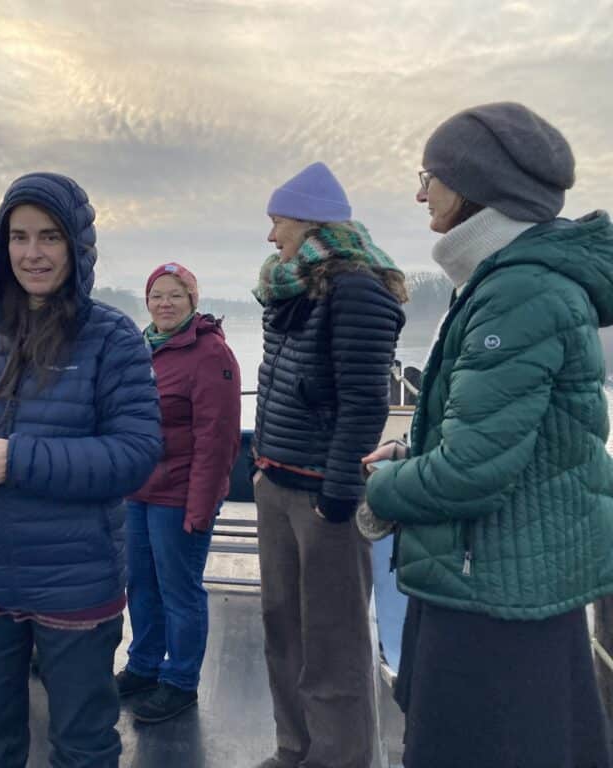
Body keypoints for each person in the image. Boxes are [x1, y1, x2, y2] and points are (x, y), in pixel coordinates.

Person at [363, 102, 613, 768]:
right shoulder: (506, 281)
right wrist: (415, 452)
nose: (420, 191)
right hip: (509, 581)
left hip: (495, 599)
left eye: (431, 175)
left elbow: (474, 469)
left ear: (477, 187)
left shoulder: (518, 292)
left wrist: (385, 491)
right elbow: (501, 439)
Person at [0, 171, 163, 768]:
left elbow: (135, 452)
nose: (32, 253)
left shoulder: (113, 337)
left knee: (82, 743)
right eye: (18, 237)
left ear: (78, 247)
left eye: (49, 237)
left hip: (75, 578)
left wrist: (16, 459)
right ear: (2, 245)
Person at [251, 162, 407, 768]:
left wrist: (340, 491)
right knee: (282, 629)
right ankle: (295, 750)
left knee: (334, 643)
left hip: (324, 494)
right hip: (277, 479)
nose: (271, 236)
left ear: (311, 221)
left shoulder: (357, 288)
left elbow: (366, 399)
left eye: (277, 221)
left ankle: (339, 761)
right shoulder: (294, 287)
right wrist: (262, 470)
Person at [117, 262, 242, 723]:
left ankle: (180, 681)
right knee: (141, 584)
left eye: (175, 295)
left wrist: (202, 505)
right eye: (157, 296)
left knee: (180, 590)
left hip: (182, 495)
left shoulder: (210, 355)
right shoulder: (144, 349)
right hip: (140, 491)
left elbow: (219, 438)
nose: (165, 304)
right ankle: (144, 666)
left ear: (193, 301)